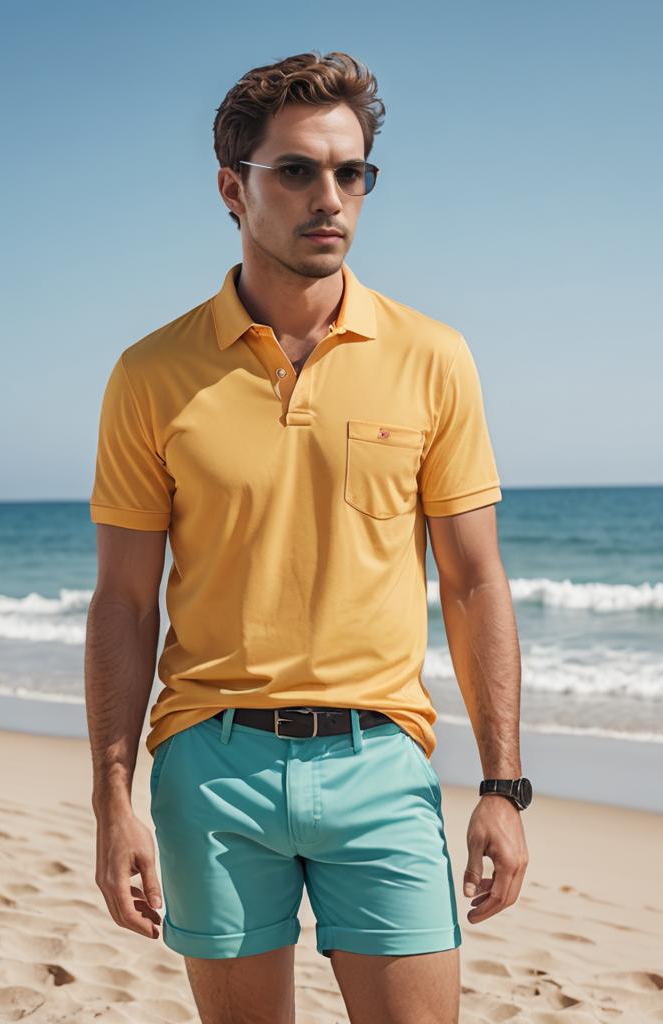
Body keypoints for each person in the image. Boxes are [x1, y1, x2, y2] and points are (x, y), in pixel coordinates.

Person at [86, 49, 529, 1024]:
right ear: (231, 190)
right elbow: (123, 598)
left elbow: (474, 580)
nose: (329, 195)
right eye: (295, 170)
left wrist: (503, 784)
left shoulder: (432, 357)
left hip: (382, 765)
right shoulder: (151, 373)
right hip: (212, 765)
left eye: (349, 171)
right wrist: (112, 798)